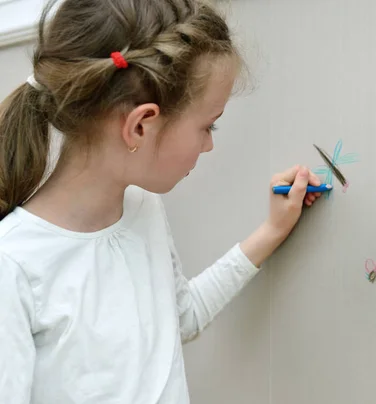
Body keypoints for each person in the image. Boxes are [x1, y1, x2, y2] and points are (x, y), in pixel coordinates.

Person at [0, 0, 323, 402]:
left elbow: (181, 317)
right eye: (208, 125)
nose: (208, 145)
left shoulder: (141, 208)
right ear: (140, 125)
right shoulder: (13, 268)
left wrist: (272, 231)